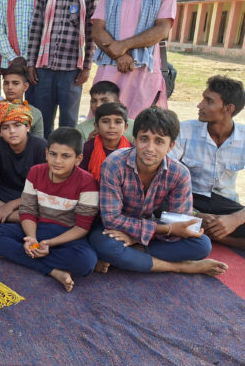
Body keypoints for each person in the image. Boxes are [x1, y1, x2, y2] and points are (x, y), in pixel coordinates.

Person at [88, 107, 227, 277]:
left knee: (202, 245)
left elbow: (180, 223)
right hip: (114, 230)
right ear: (135, 139)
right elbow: (111, 220)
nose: (150, 148)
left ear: (171, 146)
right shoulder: (114, 163)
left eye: (159, 141)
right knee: (104, 244)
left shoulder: (179, 174)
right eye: (144, 139)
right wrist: (166, 229)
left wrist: (136, 238)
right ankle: (181, 267)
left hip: (148, 230)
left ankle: (132, 254)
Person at [0, 127, 99, 292]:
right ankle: (53, 270)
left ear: (78, 159)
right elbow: (28, 210)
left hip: (65, 235)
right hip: (37, 227)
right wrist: (32, 239)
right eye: (53, 154)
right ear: (46, 153)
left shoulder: (87, 182)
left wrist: (49, 243)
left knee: (86, 262)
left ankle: (16, 254)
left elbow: (82, 227)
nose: (57, 161)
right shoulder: (36, 172)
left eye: (66, 156)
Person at [91, 0, 177, 118]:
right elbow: (97, 31)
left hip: (143, 73)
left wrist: (124, 46)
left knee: (138, 124)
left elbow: (161, 30)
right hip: (111, 69)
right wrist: (120, 55)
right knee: (104, 122)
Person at [27, 0, 98, 138]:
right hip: (44, 68)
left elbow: (92, 35)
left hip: (72, 71)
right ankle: (43, 158)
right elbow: (36, 31)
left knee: (69, 119)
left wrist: (86, 67)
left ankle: (67, 159)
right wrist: (31, 64)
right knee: (43, 117)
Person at [171, 75, 245, 248]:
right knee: (157, 209)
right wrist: (195, 214)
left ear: (228, 109)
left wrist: (235, 219)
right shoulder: (184, 130)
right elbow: (163, 175)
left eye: (208, 101)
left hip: (224, 203)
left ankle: (215, 235)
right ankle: (205, 229)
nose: (199, 105)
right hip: (187, 199)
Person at [0, 100, 47, 222]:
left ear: (27, 127)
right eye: (5, 127)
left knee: (46, 209)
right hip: (4, 192)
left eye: (17, 125)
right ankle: (17, 217)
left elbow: (42, 191)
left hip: (31, 197)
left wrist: (9, 207)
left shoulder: (41, 147)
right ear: (0, 131)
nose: (12, 131)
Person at [0, 65, 44, 140]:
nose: (10, 87)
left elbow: (39, 143)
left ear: (25, 87)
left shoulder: (35, 113)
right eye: (6, 83)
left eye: (15, 83)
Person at [79, 102, 131, 183]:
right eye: (105, 121)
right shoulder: (87, 148)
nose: (112, 126)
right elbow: (81, 177)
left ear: (126, 127)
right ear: (96, 126)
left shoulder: (132, 151)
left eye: (118, 122)